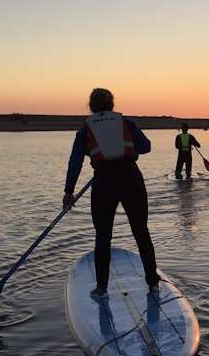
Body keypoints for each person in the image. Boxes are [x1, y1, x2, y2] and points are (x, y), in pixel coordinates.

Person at [63, 88, 161, 297]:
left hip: (104, 181)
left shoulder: (85, 130)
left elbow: (75, 162)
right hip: (131, 177)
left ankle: (102, 288)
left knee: (103, 236)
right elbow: (146, 147)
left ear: (91, 107)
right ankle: (153, 282)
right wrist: (128, 149)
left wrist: (69, 191)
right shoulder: (126, 123)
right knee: (141, 231)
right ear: (112, 105)